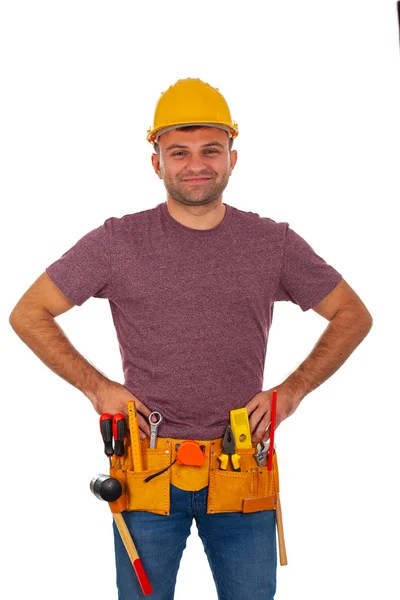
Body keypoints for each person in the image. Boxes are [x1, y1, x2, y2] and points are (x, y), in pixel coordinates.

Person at [9, 77, 373, 600]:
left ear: (232, 157)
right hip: (147, 471)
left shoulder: (272, 243)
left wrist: (290, 392)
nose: (196, 164)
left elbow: (351, 315)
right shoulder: (117, 241)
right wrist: (98, 388)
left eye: (211, 150)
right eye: (178, 152)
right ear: (156, 161)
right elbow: (29, 312)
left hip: (242, 469)